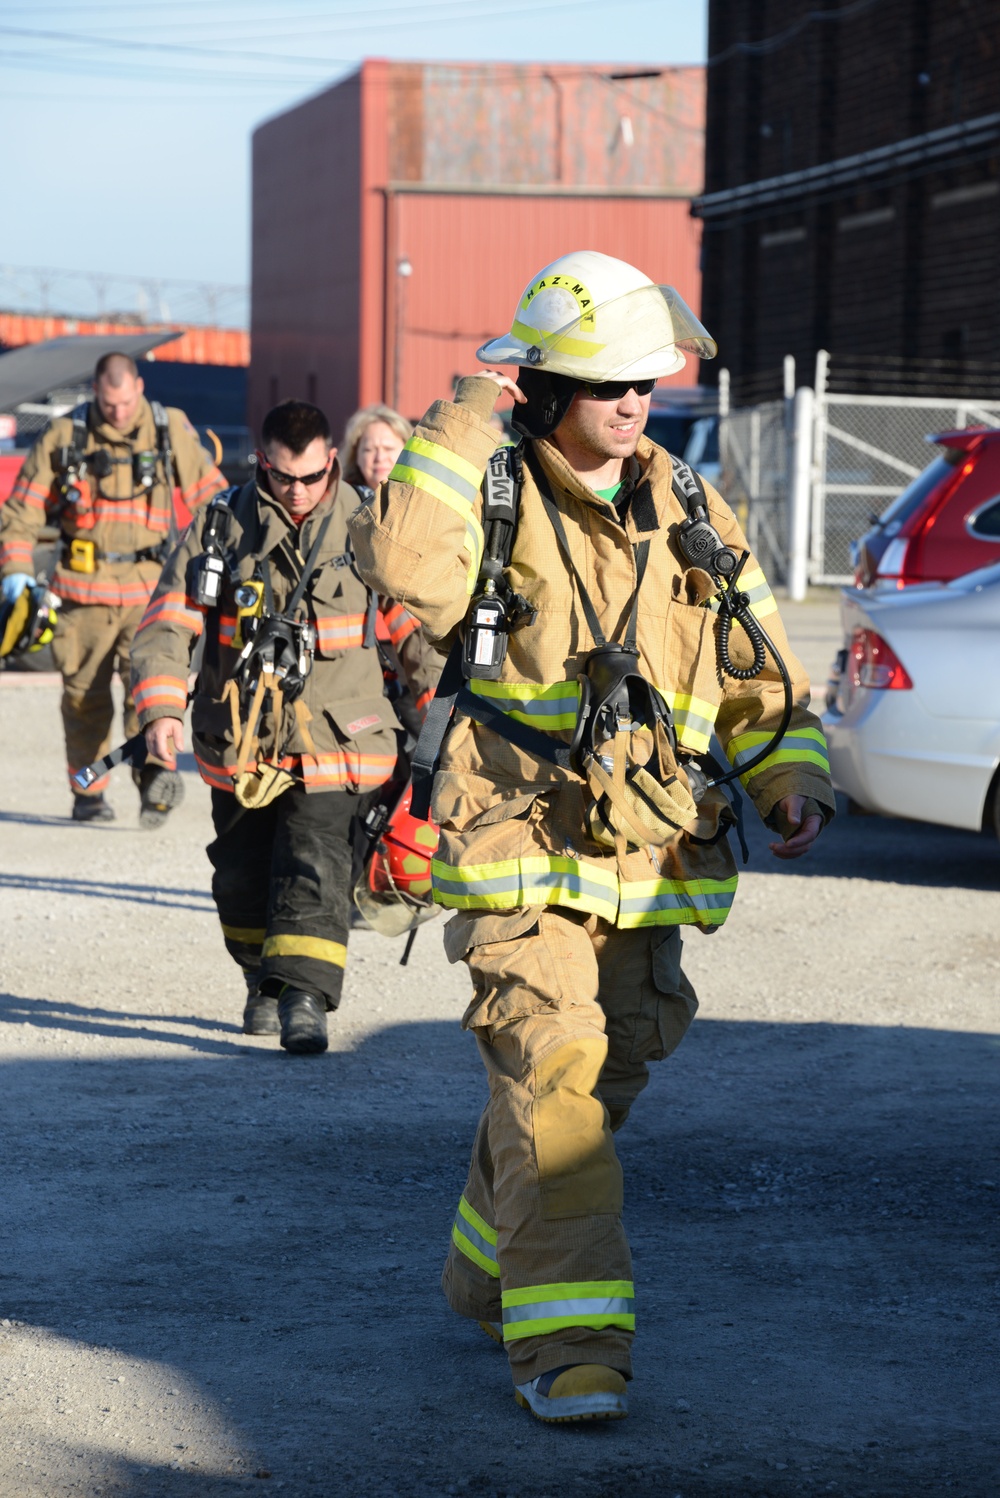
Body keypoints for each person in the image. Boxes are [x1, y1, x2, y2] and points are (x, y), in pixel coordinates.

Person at [348, 251, 835, 1422]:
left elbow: (756, 667)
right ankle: (574, 1350)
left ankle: (484, 1267)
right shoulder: (490, 484)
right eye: (605, 383)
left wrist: (787, 776)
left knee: (596, 1076)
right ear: (544, 387)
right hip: (516, 840)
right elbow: (407, 567)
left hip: (648, 854)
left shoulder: (688, 505)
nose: (633, 403)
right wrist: (468, 411)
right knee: (552, 1065)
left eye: (643, 384)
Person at [130, 399, 439, 1054]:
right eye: (281, 477)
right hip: (241, 743)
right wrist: (159, 709)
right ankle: (260, 980)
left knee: (316, 859)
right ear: (262, 463)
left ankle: (306, 998)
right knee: (239, 876)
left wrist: (443, 705)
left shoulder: (370, 525)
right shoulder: (221, 524)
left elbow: (413, 628)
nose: (295, 492)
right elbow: (167, 623)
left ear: (331, 459)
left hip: (339, 738)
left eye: (309, 476)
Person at [0, 351, 227, 825]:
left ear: (139, 388)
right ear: (96, 393)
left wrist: (228, 559)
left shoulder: (169, 428)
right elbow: (20, 513)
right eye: (108, 404)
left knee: (148, 695)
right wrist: (17, 571)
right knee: (84, 700)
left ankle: (154, 784)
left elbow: (214, 499)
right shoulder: (66, 434)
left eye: (125, 403)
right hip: (82, 595)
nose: (118, 413)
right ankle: (89, 794)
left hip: (151, 594)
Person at [340, 402, 438, 741]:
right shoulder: (342, 507)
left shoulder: (427, 502)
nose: (378, 456)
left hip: (422, 643)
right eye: (369, 449)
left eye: (388, 448)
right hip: (363, 652)